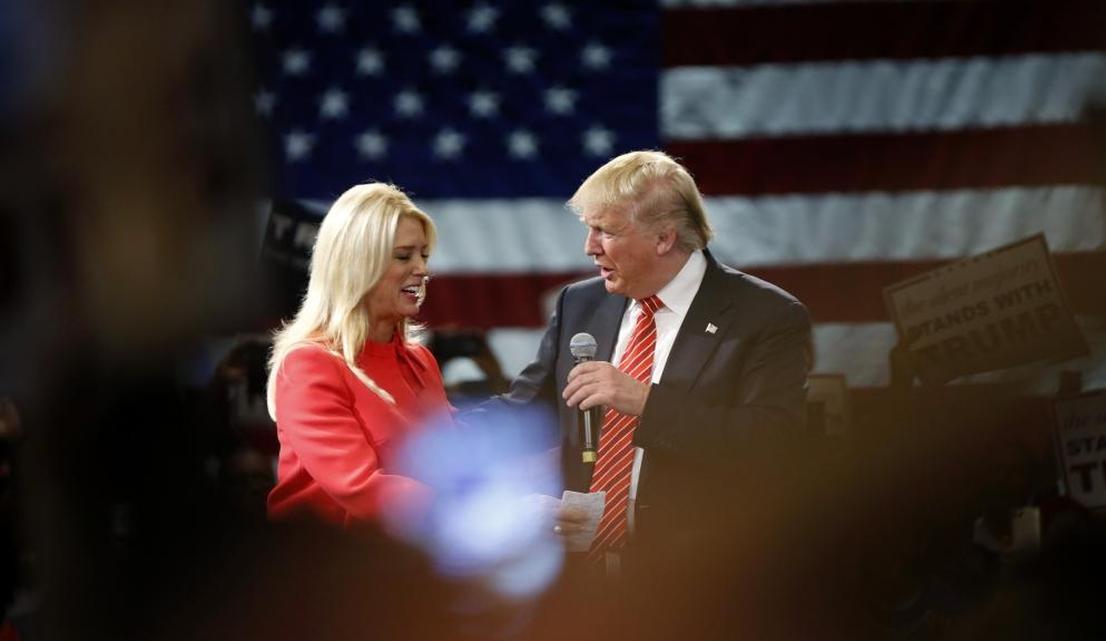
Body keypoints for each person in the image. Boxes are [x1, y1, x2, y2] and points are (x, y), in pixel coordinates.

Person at [491, 151, 812, 634]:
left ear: (664, 238)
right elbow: (525, 409)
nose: (589, 247)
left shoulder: (765, 316)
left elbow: (773, 442)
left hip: (699, 591)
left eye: (606, 231)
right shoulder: (581, 302)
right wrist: (416, 422)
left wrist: (644, 402)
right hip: (579, 587)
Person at [265, 183, 450, 530]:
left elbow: (456, 458)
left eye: (424, 256)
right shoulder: (309, 365)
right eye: (403, 256)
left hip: (410, 553)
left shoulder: (420, 361)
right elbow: (362, 488)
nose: (422, 269)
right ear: (356, 265)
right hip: (324, 559)